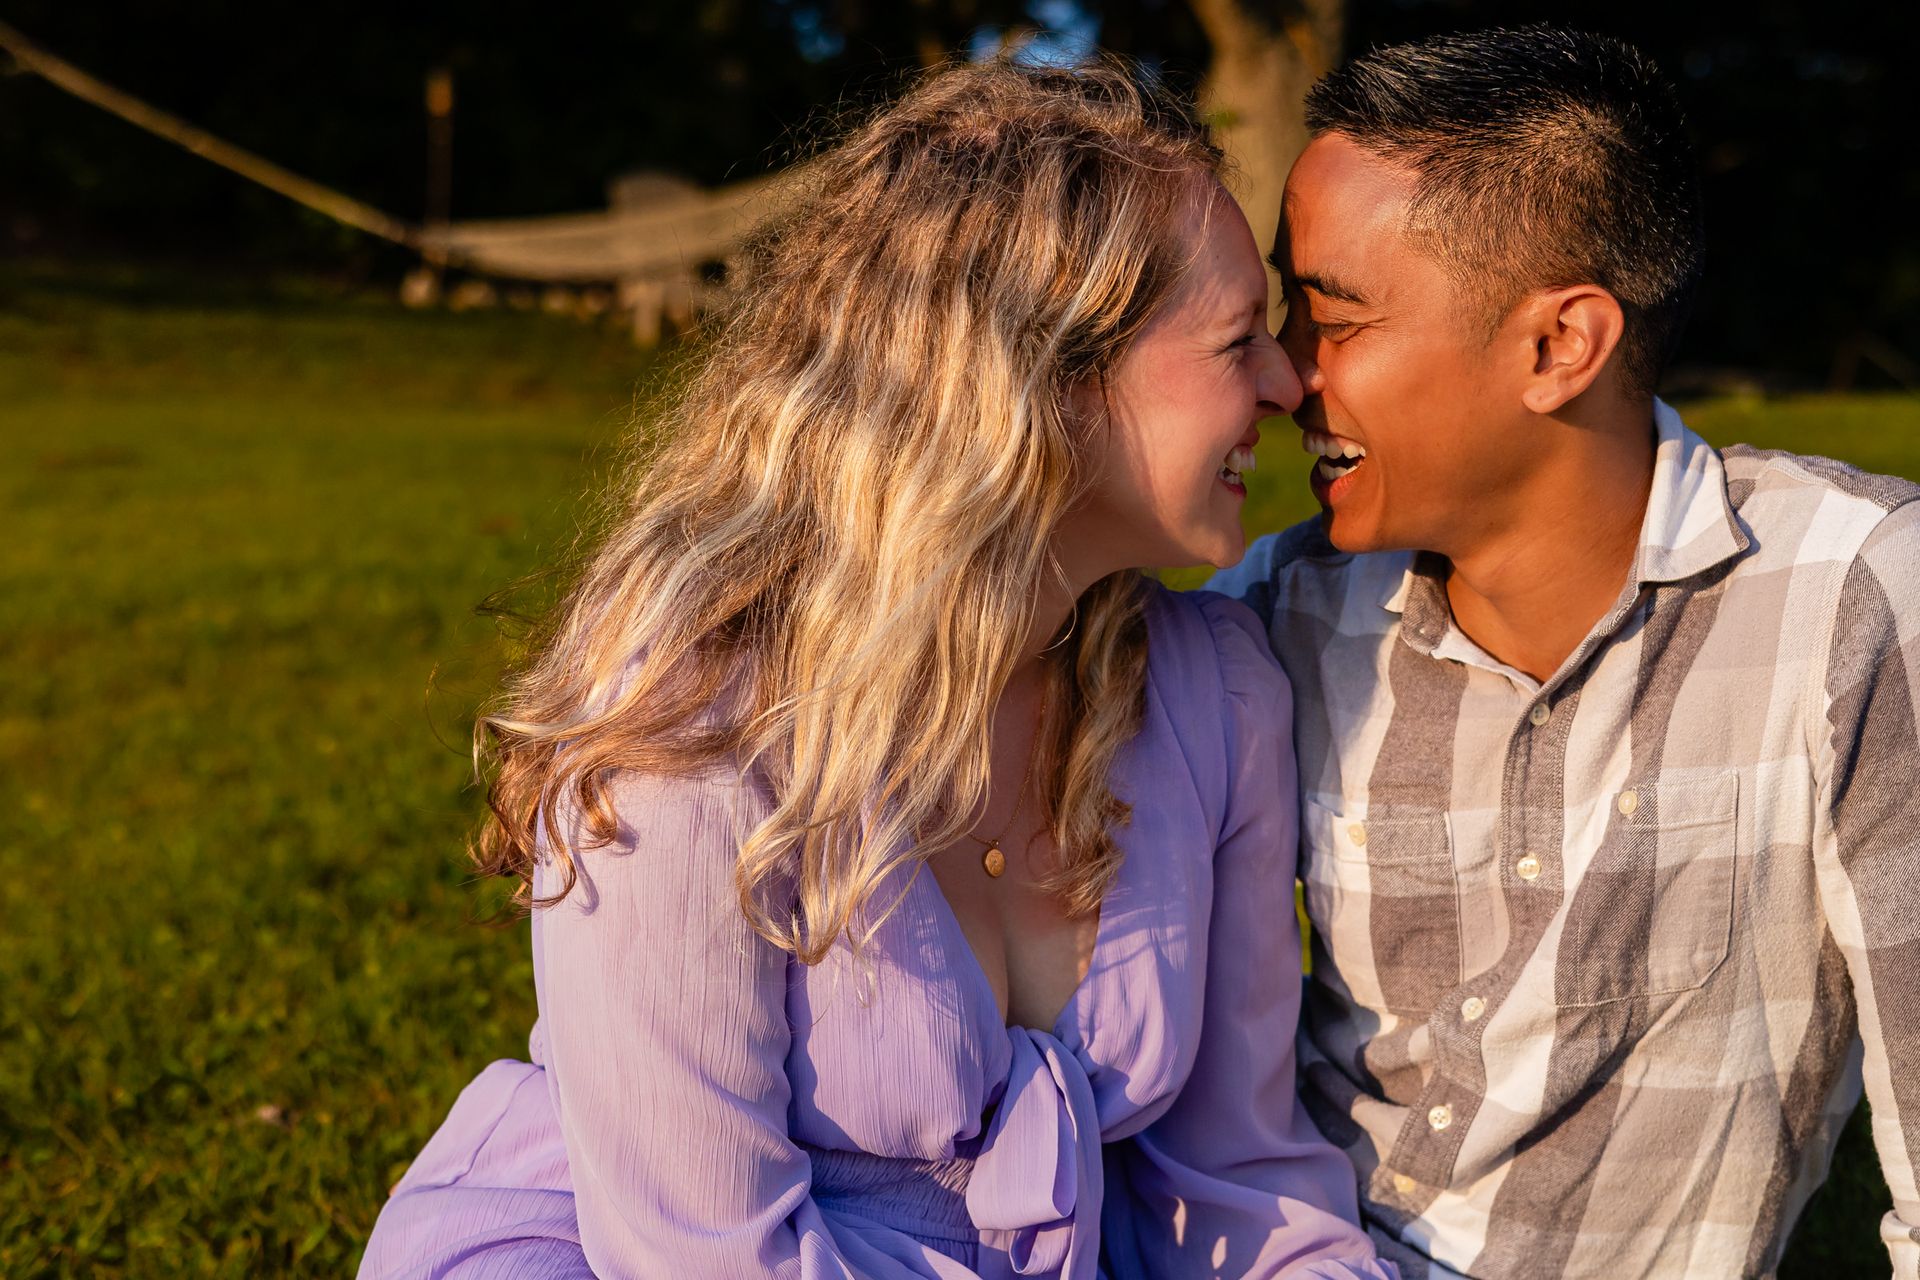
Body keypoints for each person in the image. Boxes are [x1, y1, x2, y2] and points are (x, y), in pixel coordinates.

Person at [360, 58, 1393, 1280]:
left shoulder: (1214, 697)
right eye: (1237, 342)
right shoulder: (690, 718)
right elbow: (702, 1255)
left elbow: (1243, 1183)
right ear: (1042, 382)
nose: (1289, 381)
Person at [1209, 23, 1920, 1280]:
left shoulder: (1850, 597)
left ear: (1558, 345)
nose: (1282, 375)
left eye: (1331, 316)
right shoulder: (1272, 621)